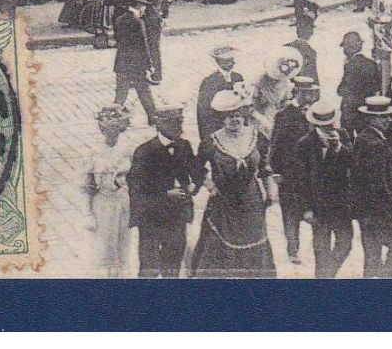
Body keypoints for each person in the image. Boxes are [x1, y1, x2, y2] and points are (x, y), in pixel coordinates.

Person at [190, 90, 276, 278]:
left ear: (243, 116)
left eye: (237, 116)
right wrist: (210, 186)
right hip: (223, 201)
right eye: (229, 117)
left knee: (254, 240)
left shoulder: (257, 137)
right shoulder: (210, 142)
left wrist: (270, 192)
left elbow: (264, 167)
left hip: (251, 200)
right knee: (220, 242)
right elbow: (196, 168)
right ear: (222, 118)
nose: (234, 120)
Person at [127, 106, 199, 278]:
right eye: (175, 124)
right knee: (149, 265)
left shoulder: (184, 145)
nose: (180, 129)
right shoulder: (144, 151)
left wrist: (195, 185)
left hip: (177, 215)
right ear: (161, 126)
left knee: (173, 262)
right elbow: (136, 187)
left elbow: (196, 170)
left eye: (180, 123)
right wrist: (166, 194)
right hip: (151, 216)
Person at [295, 102, 355, 278]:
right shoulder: (304, 143)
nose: (328, 128)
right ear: (315, 124)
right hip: (318, 206)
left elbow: (354, 162)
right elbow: (300, 180)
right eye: (323, 125)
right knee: (321, 250)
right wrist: (306, 208)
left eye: (329, 124)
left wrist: (339, 148)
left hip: (341, 204)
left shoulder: (343, 135)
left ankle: (327, 275)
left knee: (345, 244)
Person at [350, 95, 392, 277]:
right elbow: (378, 182)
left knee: (372, 256)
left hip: (366, 208)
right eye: (384, 117)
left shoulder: (365, 137)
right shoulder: (375, 144)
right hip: (378, 209)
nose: (389, 120)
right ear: (372, 118)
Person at [84, 103, 137, 276]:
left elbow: (135, 177)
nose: (112, 131)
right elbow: (88, 185)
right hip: (103, 201)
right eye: (108, 127)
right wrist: (88, 213)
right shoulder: (94, 152)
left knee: (123, 246)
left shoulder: (128, 149)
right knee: (105, 248)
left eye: (116, 127)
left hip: (123, 200)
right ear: (102, 128)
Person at [270, 75, 318, 265]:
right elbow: (275, 146)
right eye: (307, 92)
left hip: (312, 170)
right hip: (290, 172)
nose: (310, 95)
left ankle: (317, 248)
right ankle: (292, 249)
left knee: (314, 207)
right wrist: (276, 170)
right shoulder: (284, 115)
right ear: (297, 92)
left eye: (311, 92)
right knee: (290, 213)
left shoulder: (315, 113)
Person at [111, 0, 162, 122]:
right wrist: (150, 65)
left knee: (121, 93)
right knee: (144, 91)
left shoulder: (119, 19)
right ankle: (153, 117)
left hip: (121, 62)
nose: (144, 9)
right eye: (144, 6)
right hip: (136, 64)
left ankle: (113, 118)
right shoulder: (138, 22)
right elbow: (143, 46)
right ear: (139, 6)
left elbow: (118, 40)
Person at [195, 45, 244, 142]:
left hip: (236, 125)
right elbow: (204, 111)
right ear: (220, 62)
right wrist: (207, 137)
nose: (233, 63)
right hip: (218, 126)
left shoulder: (238, 77)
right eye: (228, 61)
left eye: (232, 60)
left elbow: (243, 102)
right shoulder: (209, 82)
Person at [337, 31, 382, 134]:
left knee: (347, 139)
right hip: (366, 110)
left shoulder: (350, 65)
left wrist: (339, 89)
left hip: (350, 112)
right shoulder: (372, 64)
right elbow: (376, 88)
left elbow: (343, 89)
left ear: (348, 48)